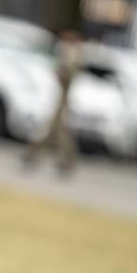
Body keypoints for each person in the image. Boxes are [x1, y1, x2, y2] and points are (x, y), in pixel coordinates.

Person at [24, 28, 82, 173]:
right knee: (55, 132)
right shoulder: (69, 54)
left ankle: (34, 155)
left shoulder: (73, 55)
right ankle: (35, 155)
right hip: (59, 100)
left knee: (58, 132)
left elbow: (67, 75)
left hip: (62, 101)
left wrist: (60, 72)